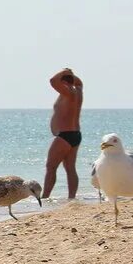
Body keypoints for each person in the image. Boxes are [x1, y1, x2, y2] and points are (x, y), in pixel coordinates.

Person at [42, 67, 84, 199]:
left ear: (64, 82)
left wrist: (65, 72)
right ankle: (72, 197)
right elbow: (79, 82)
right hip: (75, 134)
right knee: (70, 168)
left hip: (65, 136)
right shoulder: (78, 91)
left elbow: (53, 81)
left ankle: (45, 197)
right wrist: (71, 75)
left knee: (51, 166)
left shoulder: (69, 93)